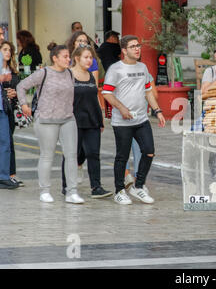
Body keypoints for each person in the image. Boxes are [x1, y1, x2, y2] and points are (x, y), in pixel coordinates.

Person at [17, 42, 85, 204]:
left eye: (69, 56)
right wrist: (24, 105)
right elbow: (21, 86)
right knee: (47, 156)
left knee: (71, 156)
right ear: (55, 58)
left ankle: (72, 192)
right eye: (65, 56)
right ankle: (45, 191)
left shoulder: (70, 73)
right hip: (46, 120)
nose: (68, 59)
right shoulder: (44, 73)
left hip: (68, 118)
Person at [102, 35, 166, 205]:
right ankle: (119, 191)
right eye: (132, 46)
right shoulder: (115, 69)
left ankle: (138, 186)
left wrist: (157, 110)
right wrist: (122, 108)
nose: (137, 49)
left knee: (149, 151)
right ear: (124, 50)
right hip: (122, 122)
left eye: (138, 45)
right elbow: (106, 93)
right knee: (122, 157)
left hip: (141, 119)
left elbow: (148, 92)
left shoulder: (143, 67)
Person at [61, 45, 113, 199]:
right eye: (86, 57)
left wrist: (100, 117)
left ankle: (96, 187)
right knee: (72, 155)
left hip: (92, 121)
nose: (89, 60)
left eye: (91, 57)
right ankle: (67, 186)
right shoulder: (68, 75)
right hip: (73, 122)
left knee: (93, 154)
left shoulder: (90, 75)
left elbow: (95, 97)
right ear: (77, 58)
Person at [1, 41, 24, 187]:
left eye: (10, 50)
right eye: (4, 49)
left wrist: (14, 93)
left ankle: (10, 174)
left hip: (10, 109)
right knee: (5, 141)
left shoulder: (12, 70)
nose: (7, 52)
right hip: (2, 105)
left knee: (8, 141)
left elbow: (19, 87)